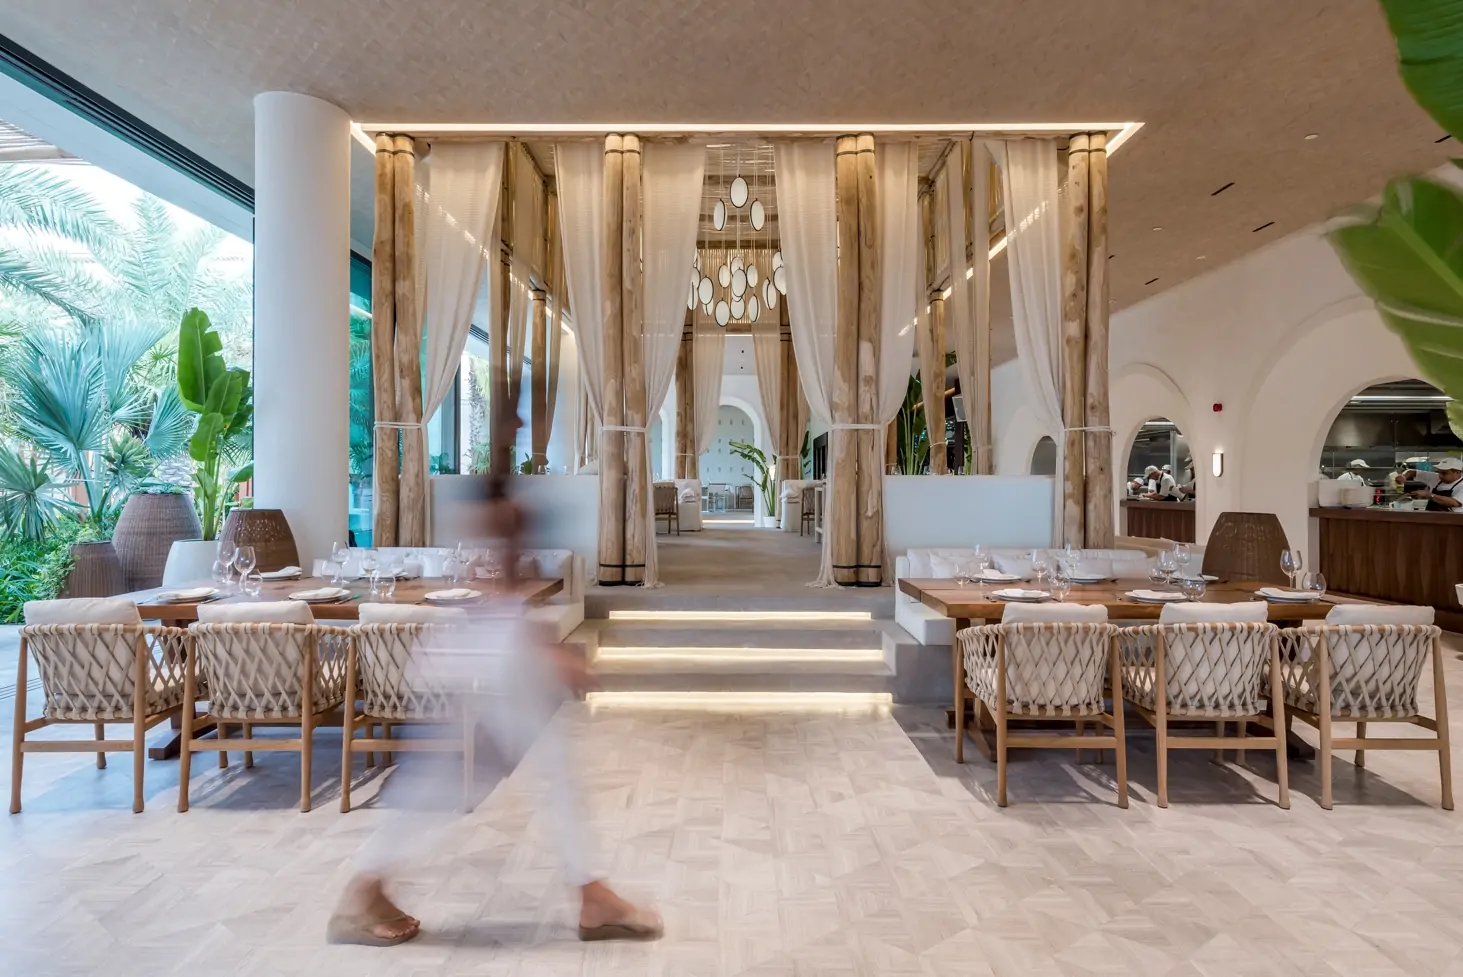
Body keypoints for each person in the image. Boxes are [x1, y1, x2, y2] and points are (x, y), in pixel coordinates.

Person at [329, 411, 663, 947]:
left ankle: (591, 894)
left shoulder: (501, 494)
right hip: (488, 658)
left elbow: (498, 584)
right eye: (516, 419)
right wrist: (546, 652)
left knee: (494, 774)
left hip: (491, 654)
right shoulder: (498, 503)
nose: (526, 422)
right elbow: (499, 587)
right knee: (456, 780)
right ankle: (364, 892)